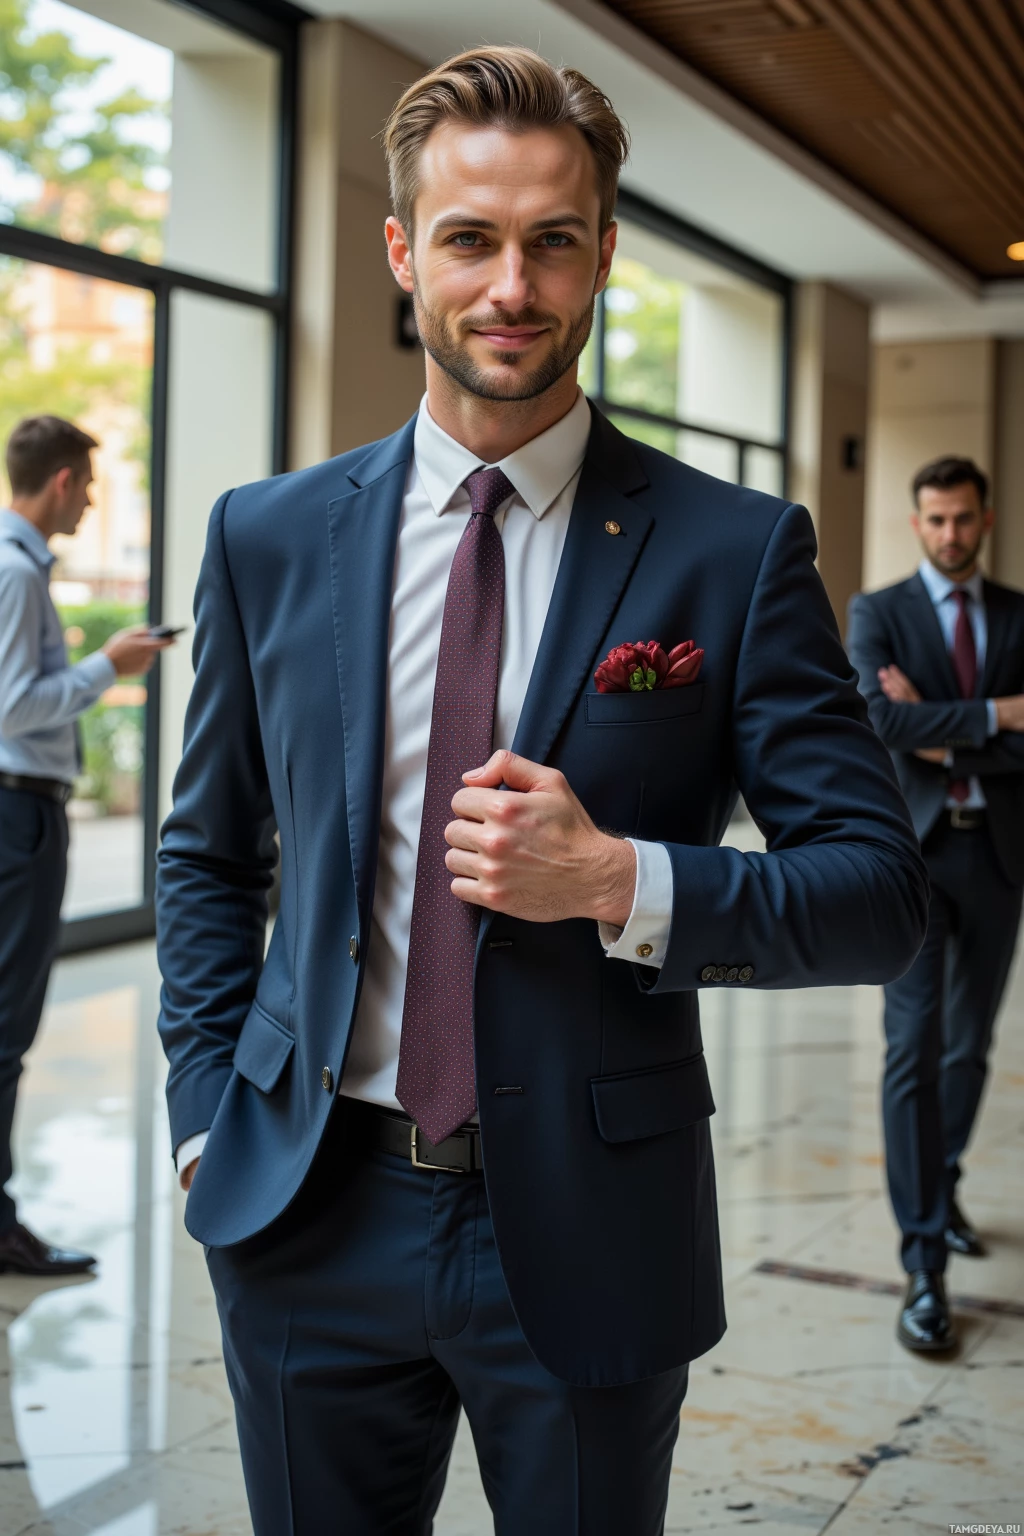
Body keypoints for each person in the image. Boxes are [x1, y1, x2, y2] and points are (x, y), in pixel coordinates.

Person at [156, 47, 926, 1536]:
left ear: (604, 255)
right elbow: (205, 854)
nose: (511, 285)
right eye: (470, 238)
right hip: (308, 1214)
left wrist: (621, 882)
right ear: (403, 251)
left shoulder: (733, 549)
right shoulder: (269, 534)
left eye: (552, 240)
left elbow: (878, 896)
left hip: (591, 1228)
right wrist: (204, 1120)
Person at [847, 456, 1024, 1355]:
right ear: (917, 523)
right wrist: (999, 716)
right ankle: (924, 1266)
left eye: (964, 518)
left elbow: (918, 727)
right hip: (911, 864)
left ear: (985, 519)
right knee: (911, 1048)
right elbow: (879, 725)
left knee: (970, 1045)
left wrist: (940, 725)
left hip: (996, 858)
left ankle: (942, 1181)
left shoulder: (1022, 614)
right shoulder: (877, 614)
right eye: (936, 519)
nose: (951, 533)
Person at [0, 415, 173, 1276]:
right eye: (90, 484)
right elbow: (12, 707)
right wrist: (111, 665)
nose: (92, 499)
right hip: (16, 811)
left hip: (19, 809)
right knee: (6, 1023)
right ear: (62, 481)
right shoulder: (15, 572)